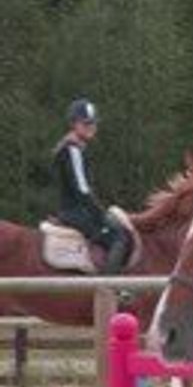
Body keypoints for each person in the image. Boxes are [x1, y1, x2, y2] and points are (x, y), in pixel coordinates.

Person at [52, 98, 129, 274]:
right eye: (86, 123)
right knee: (119, 237)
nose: (91, 127)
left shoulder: (75, 148)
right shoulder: (72, 150)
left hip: (76, 210)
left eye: (93, 123)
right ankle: (107, 289)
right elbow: (82, 190)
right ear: (73, 124)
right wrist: (101, 214)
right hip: (75, 213)